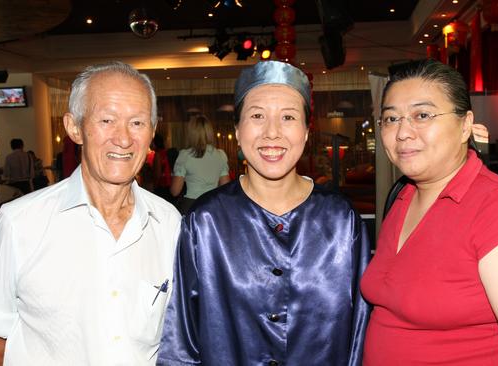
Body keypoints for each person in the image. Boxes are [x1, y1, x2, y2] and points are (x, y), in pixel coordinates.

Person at [0, 61, 181, 365]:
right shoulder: (19, 222)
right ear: (75, 128)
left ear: (152, 132)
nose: (123, 138)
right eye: (107, 120)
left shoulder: (169, 222)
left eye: (137, 123)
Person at [158, 61, 370, 366]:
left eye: (288, 117)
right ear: (237, 129)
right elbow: (181, 342)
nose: (272, 132)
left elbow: (360, 332)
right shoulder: (206, 222)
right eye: (257, 116)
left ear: (307, 132)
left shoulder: (340, 220)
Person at [360, 59, 498, 365]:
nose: (402, 133)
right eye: (391, 119)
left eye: (422, 115)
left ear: (465, 124)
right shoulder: (403, 195)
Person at [170, 114, 230, 214]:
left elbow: (175, 191)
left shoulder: (185, 155)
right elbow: (226, 187)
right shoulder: (221, 155)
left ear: (191, 133)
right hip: (213, 206)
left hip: (191, 206)